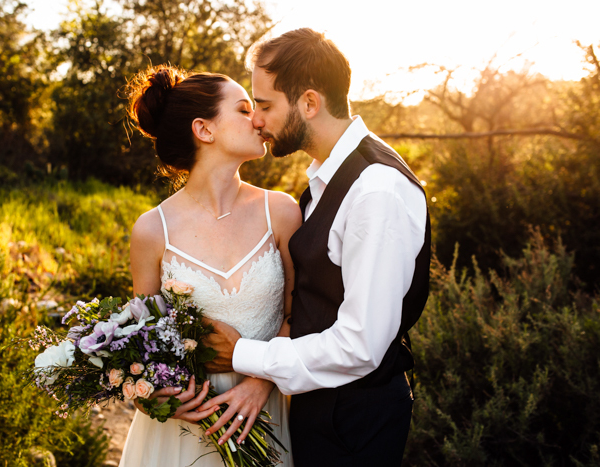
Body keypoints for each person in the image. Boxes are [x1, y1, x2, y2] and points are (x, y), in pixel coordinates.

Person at [199, 28, 431, 466]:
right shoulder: (327, 177)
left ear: (309, 103)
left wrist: (244, 355)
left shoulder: (375, 191)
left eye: (265, 105)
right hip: (319, 407)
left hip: (355, 420)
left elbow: (361, 346)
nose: (256, 121)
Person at [117, 65, 298, 467]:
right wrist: (155, 395)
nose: (258, 120)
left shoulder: (281, 212)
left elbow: (298, 313)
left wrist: (259, 384)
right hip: (186, 425)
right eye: (243, 109)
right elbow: (143, 338)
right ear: (205, 130)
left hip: (264, 411)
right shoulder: (152, 230)